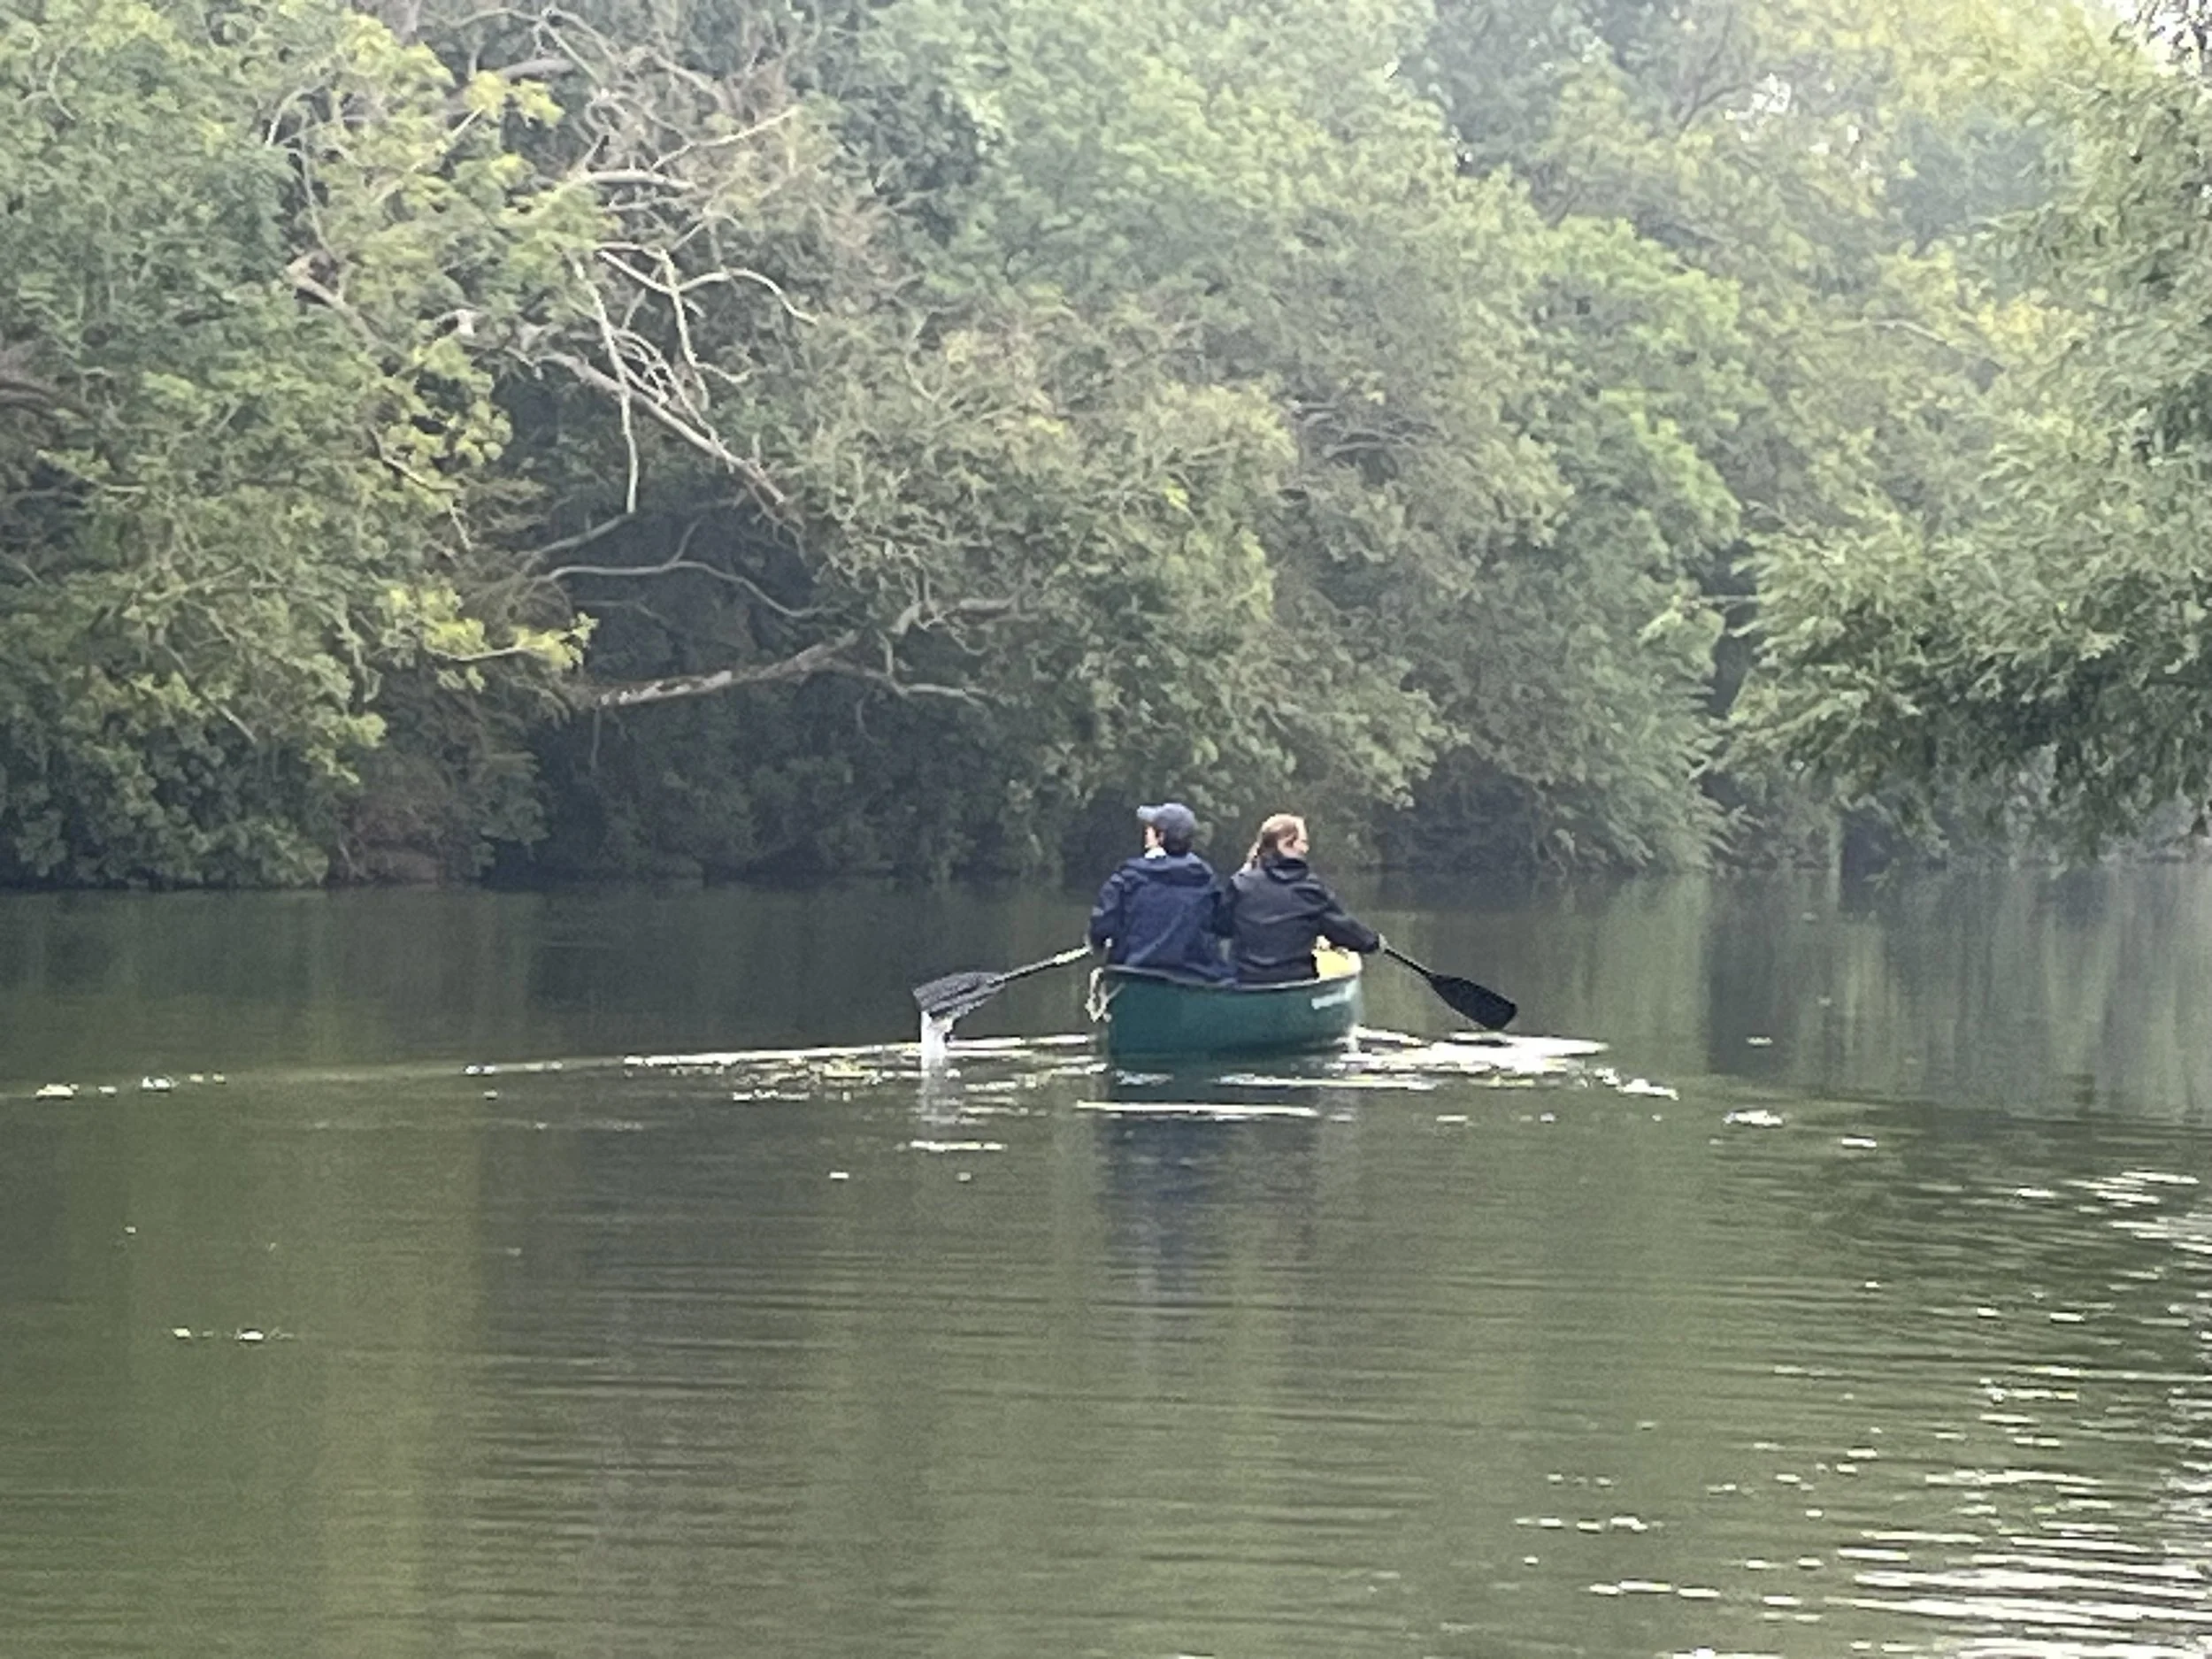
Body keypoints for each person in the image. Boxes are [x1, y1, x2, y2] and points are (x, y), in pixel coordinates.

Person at [1219, 813, 1380, 985]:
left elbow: (1221, 926)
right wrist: (1373, 942)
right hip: (1295, 980)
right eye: (1303, 842)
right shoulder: (1310, 889)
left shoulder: (1240, 883)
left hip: (1246, 981)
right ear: (1286, 843)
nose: (1306, 849)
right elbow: (1344, 931)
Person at [1087, 802, 1232, 981]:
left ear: (1160, 837)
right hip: (1195, 979)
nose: (1146, 833)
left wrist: (1098, 944)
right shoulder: (1208, 882)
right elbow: (1224, 927)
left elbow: (1101, 929)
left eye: (1150, 829)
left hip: (1135, 975)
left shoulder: (1127, 879)